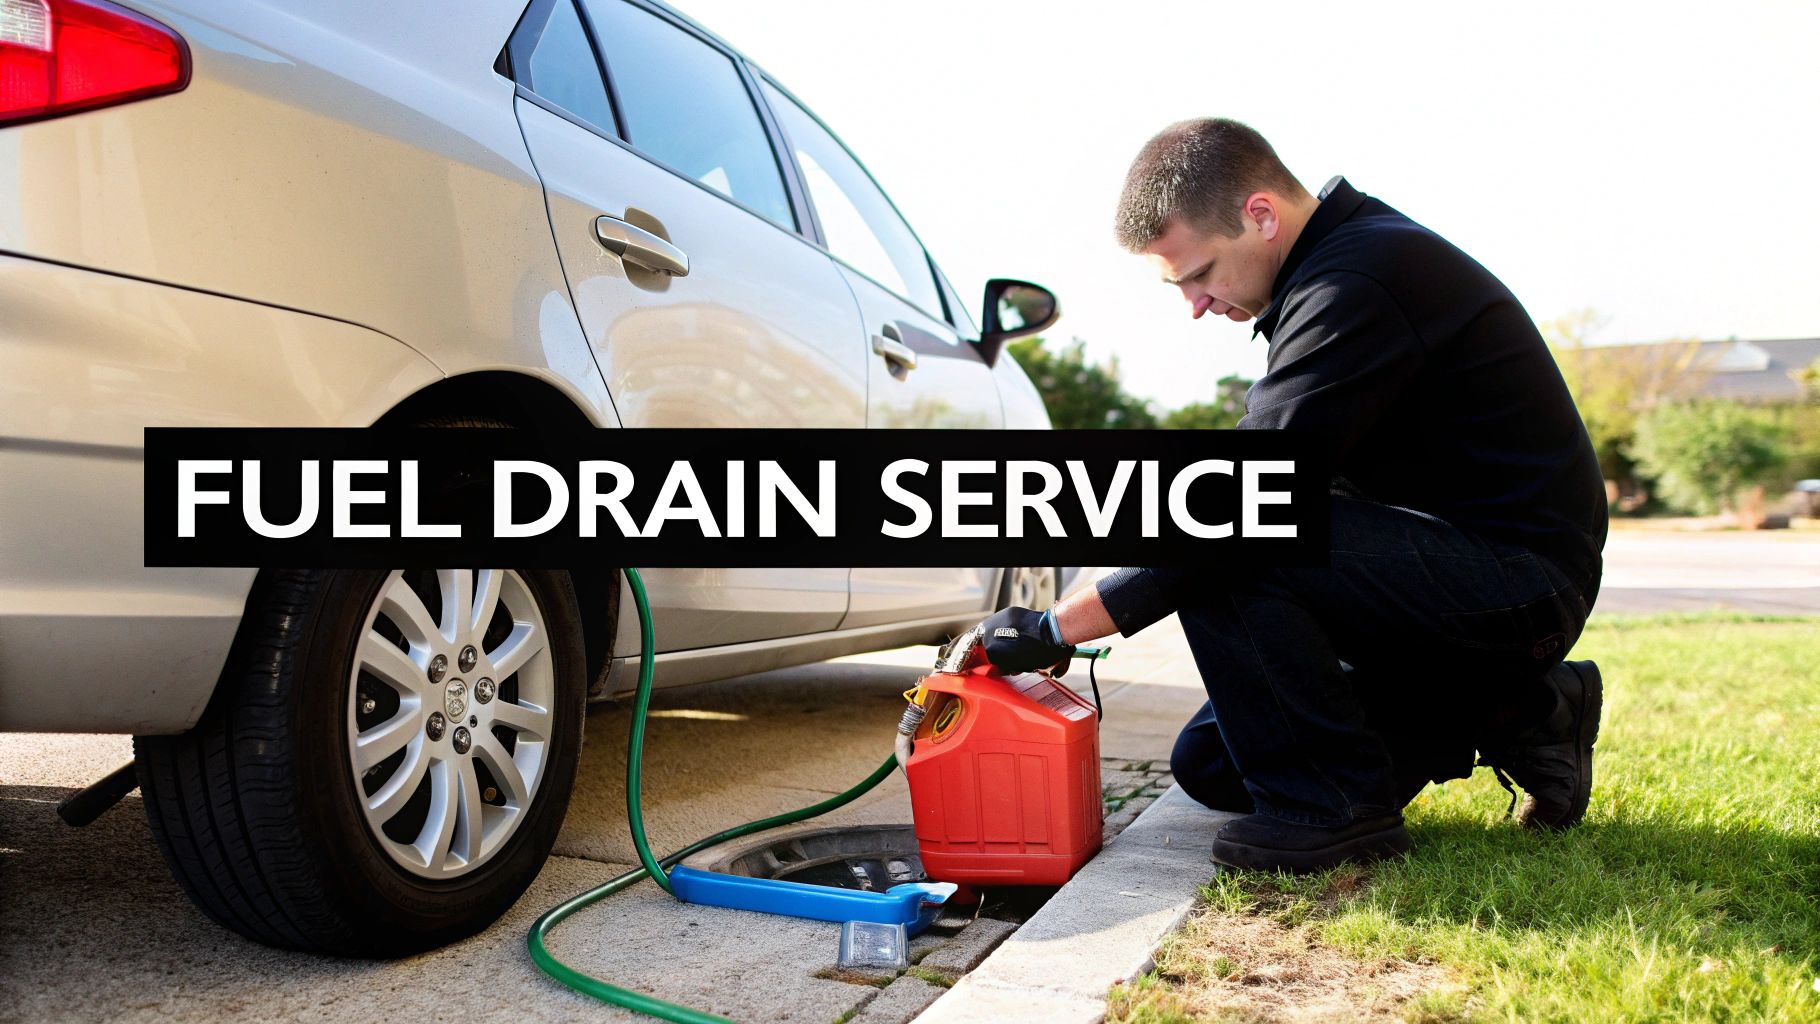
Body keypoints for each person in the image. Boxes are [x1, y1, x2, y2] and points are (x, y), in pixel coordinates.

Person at [975, 118, 1609, 873]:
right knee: (1214, 764)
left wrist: (1056, 625)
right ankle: (1526, 711)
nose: (1196, 305)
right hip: (1448, 577)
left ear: (1261, 215)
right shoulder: (1329, 273)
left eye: (1201, 273)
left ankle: (1336, 813)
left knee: (1238, 540)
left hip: (1520, 584)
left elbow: (1245, 499)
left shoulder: (1362, 278)